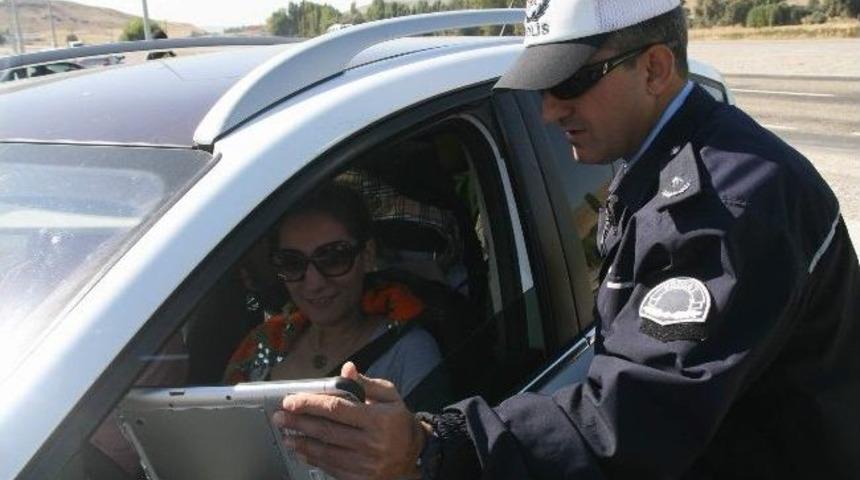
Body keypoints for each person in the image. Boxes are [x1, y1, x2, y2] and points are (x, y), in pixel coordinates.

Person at [271, 2, 860, 479]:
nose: (550, 111)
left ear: (654, 68)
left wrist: (430, 445)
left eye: (570, 82)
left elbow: (632, 420)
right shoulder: (663, 164)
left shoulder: (725, 207)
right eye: (541, 87)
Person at [223, 183, 444, 401]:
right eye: (292, 263)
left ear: (367, 255)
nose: (314, 283)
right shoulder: (264, 344)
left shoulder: (408, 352)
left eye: (333, 258)